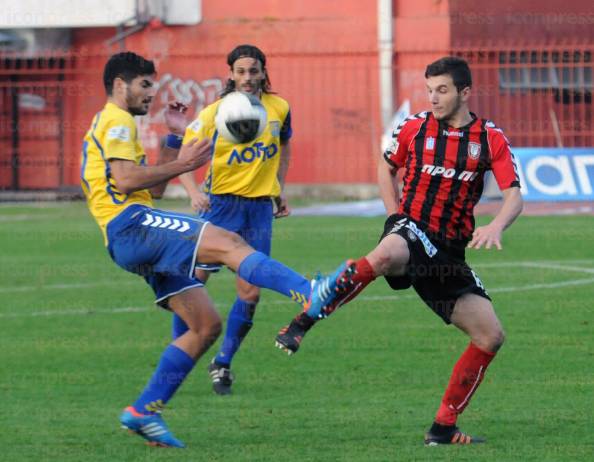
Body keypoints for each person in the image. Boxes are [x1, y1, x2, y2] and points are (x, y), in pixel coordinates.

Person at [275, 56, 523, 446]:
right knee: (386, 255)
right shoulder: (414, 128)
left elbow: (514, 195)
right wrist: (394, 216)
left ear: (465, 92)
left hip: (449, 254)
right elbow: (385, 166)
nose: (434, 98)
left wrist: (496, 225)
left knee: (490, 336)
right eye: (429, 90)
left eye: (442, 90)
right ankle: (303, 321)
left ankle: (442, 428)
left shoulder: (488, 138)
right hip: (412, 229)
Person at [81, 51, 314, 448]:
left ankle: (144, 412)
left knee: (205, 325)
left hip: (132, 232)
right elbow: (124, 181)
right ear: (120, 85)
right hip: (130, 225)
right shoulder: (116, 119)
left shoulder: (120, 124)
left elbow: (152, 188)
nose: (151, 93)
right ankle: (313, 291)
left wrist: (173, 141)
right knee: (229, 243)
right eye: (144, 85)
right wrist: (186, 162)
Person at [176, 44, 292, 395]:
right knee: (191, 284)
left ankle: (222, 362)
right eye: (240, 71)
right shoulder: (215, 112)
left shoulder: (280, 107)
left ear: (262, 72)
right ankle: (179, 357)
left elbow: (285, 145)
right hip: (220, 208)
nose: (247, 77)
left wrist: (278, 188)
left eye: (253, 71)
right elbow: (184, 156)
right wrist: (194, 193)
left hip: (257, 211)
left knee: (251, 291)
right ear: (230, 73)